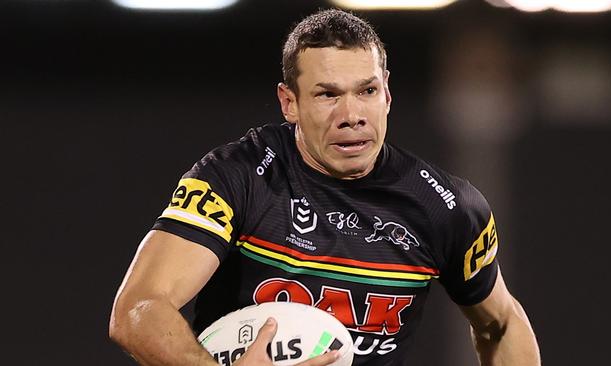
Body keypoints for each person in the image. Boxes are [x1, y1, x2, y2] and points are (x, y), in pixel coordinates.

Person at [109, 9, 541, 366]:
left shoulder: (446, 208)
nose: (352, 114)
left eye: (367, 91)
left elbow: (500, 322)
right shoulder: (238, 177)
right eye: (327, 95)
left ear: (387, 95)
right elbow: (138, 309)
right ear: (289, 103)